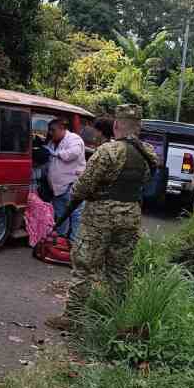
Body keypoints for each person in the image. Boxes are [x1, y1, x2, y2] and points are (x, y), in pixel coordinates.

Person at [47, 105, 159, 331]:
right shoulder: (148, 153)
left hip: (100, 217)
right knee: (119, 269)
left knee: (84, 266)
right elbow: (145, 182)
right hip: (130, 216)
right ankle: (115, 318)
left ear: (116, 125)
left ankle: (72, 317)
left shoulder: (108, 152)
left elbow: (83, 187)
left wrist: (77, 195)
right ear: (138, 127)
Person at [45, 118, 86, 242]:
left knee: (75, 214)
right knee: (61, 214)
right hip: (57, 186)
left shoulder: (74, 139)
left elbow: (72, 154)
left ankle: (74, 241)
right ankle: (61, 238)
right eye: (50, 130)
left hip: (71, 183)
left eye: (53, 130)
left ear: (62, 129)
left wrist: (55, 154)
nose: (51, 133)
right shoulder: (52, 143)